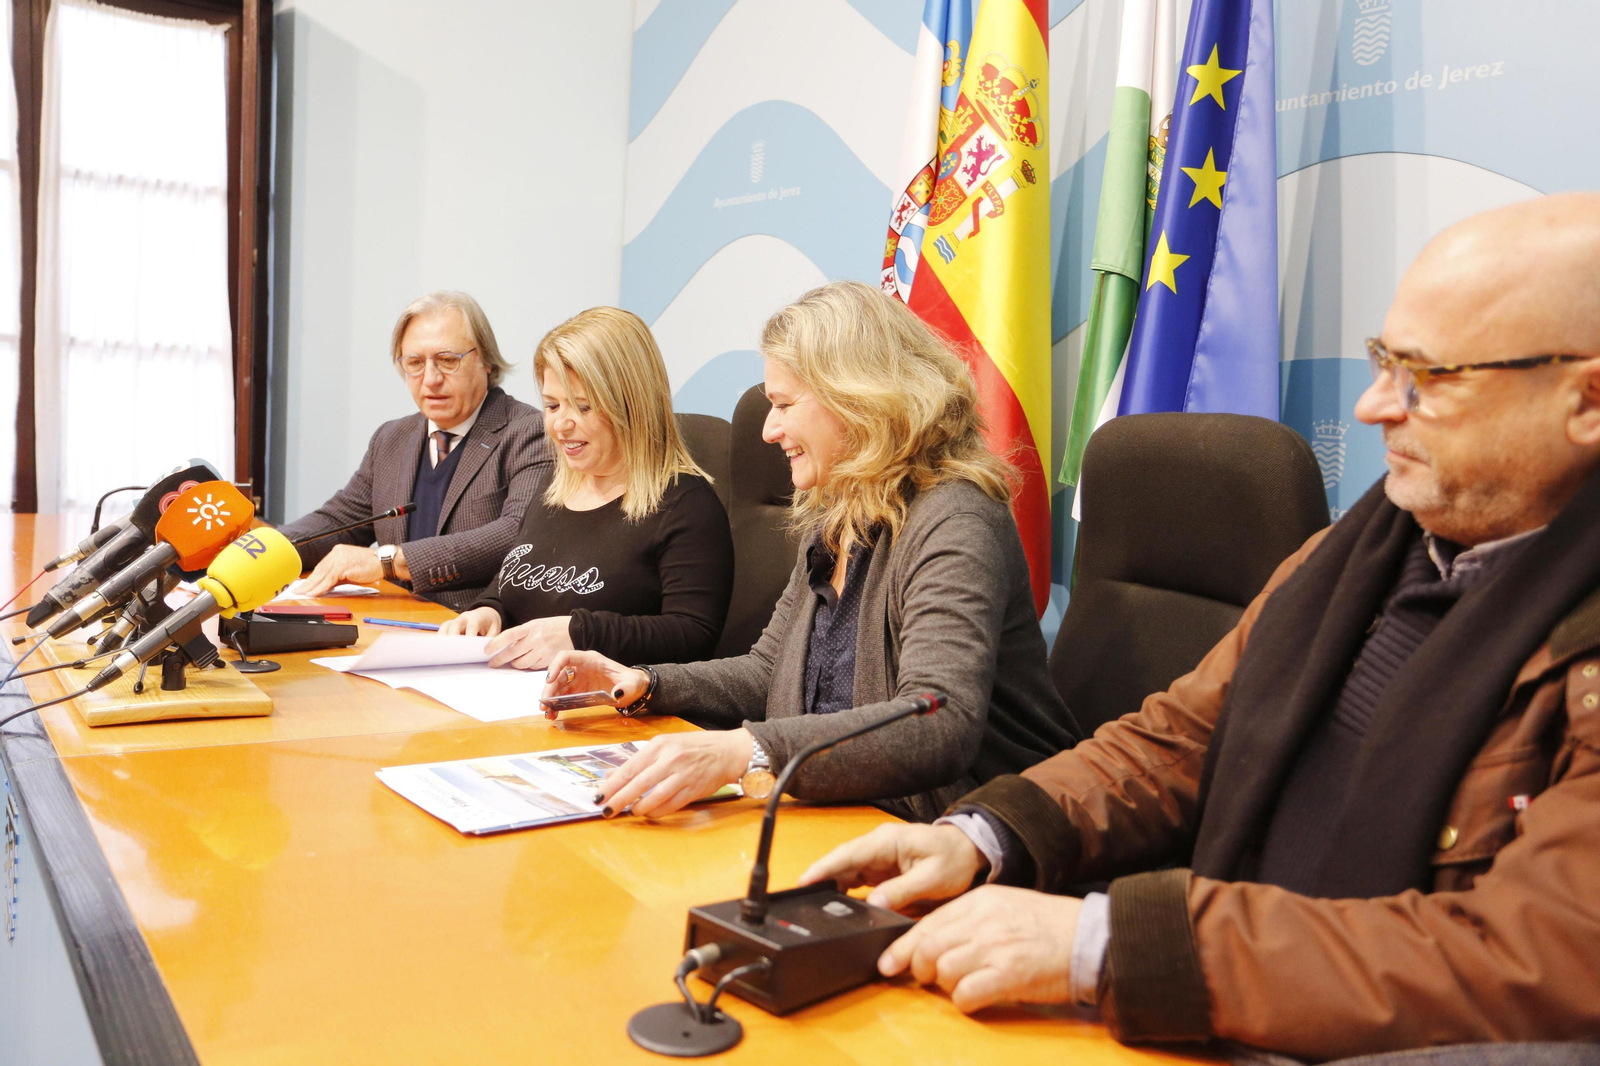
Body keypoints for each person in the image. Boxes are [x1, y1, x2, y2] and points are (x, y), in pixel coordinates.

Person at [800, 194, 1600, 1059]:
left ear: (1587, 400)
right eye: (1382, 361)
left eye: (1430, 378)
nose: (1374, 408)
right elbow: (1178, 741)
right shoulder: (1355, 555)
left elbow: (1531, 960)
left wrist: (1109, 947)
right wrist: (981, 837)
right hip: (1220, 1008)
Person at [541, 281, 1081, 823]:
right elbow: (770, 670)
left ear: (860, 399)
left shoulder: (956, 520)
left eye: (782, 405)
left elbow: (937, 723)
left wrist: (744, 751)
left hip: (970, 832)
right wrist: (643, 682)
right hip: (843, 811)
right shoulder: (837, 510)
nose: (769, 430)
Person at [439, 307, 733, 670]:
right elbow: (513, 581)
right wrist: (489, 610)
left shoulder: (687, 506)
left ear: (632, 406)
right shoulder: (553, 487)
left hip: (611, 714)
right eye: (551, 405)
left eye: (583, 406)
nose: (561, 424)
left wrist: (581, 633)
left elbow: (694, 635)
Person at [278, 291, 552, 611]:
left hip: (479, 633)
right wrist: (259, 551)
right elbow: (339, 520)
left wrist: (389, 561)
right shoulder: (392, 438)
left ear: (486, 360)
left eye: (448, 360)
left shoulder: (530, 432)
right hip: (393, 624)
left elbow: (516, 534)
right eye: (415, 363)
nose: (431, 379)